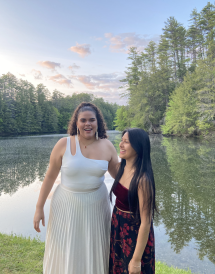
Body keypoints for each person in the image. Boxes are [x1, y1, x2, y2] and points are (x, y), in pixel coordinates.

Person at [33, 102, 119, 274]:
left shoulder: (107, 146)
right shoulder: (63, 144)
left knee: (94, 249)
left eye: (92, 120)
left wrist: (140, 189)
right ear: (76, 123)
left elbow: (120, 178)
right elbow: (50, 176)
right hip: (66, 205)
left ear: (98, 123)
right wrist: (39, 207)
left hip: (97, 206)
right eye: (83, 120)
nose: (88, 124)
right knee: (66, 248)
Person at [109, 128, 156, 274]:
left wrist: (136, 260)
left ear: (138, 146)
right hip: (118, 227)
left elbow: (146, 222)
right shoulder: (119, 168)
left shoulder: (142, 179)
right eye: (121, 141)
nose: (121, 145)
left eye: (126, 142)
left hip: (134, 234)